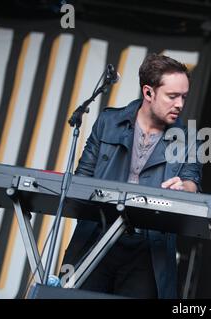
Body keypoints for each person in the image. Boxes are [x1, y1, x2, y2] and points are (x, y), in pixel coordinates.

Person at [60, 54, 202, 298]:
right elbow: (81, 178)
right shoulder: (108, 121)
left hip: (147, 249)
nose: (180, 104)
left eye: (184, 97)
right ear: (148, 93)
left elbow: (192, 183)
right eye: (172, 96)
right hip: (96, 238)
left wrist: (184, 188)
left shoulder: (189, 138)